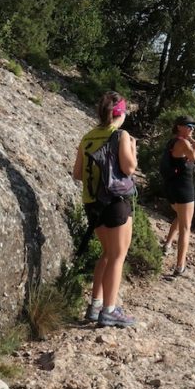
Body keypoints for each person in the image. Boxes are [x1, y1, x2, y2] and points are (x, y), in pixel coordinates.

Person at [72, 91, 138, 327]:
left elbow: (77, 173)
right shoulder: (121, 135)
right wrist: (133, 148)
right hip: (116, 201)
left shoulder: (88, 137)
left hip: (92, 202)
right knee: (118, 256)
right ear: (120, 113)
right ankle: (110, 310)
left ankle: (95, 305)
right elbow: (129, 168)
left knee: (107, 254)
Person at [161, 115, 195, 277]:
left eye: (193, 126)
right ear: (179, 126)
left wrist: (193, 141)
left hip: (172, 187)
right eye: (189, 125)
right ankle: (180, 266)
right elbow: (194, 155)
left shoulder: (174, 141)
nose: (192, 128)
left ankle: (168, 243)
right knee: (186, 228)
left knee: (180, 217)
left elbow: (194, 147)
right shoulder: (183, 143)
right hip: (183, 189)